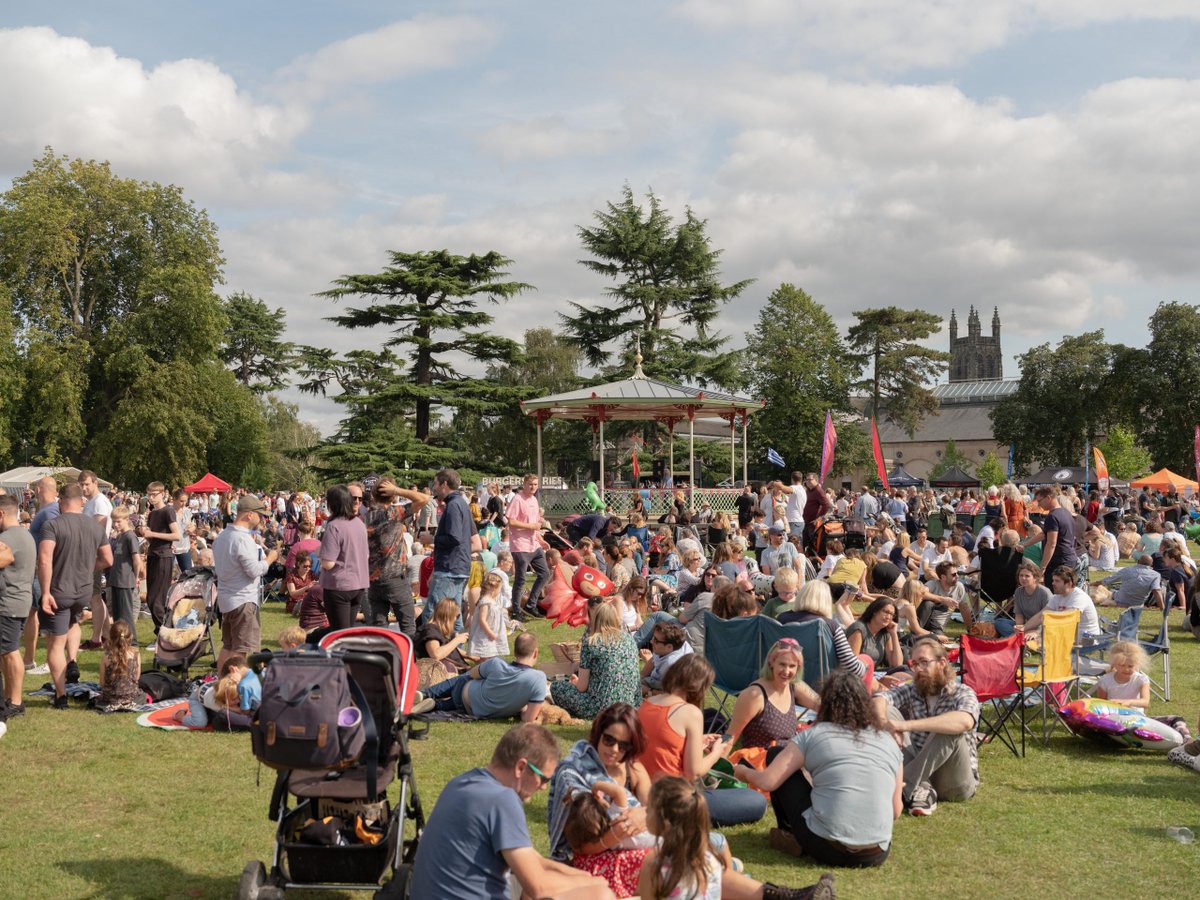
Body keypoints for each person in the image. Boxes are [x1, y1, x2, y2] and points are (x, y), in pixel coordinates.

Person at [410, 723, 613, 900]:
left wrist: (584, 876)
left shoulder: (461, 782)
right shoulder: (502, 799)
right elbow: (538, 886)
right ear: (521, 768)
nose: (543, 787)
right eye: (543, 779)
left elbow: (533, 860)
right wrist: (594, 885)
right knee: (600, 895)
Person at [736, 669, 902, 868]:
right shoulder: (888, 741)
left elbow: (769, 782)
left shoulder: (814, 735)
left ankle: (790, 834)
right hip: (877, 852)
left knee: (775, 754)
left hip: (827, 847)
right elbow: (896, 810)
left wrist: (742, 772)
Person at [637, 776, 835, 900]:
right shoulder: (710, 860)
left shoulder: (654, 866)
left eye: (649, 809)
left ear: (665, 821)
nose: (644, 811)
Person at [637, 654, 767, 827]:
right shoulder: (690, 712)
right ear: (699, 687)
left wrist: (697, 742)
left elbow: (662, 746)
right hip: (675, 800)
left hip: (643, 791)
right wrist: (716, 752)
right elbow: (694, 772)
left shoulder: (648, 703)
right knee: (756, 800)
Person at [548, 703, 654, 897]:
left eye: (623, 745)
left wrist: (641, 815)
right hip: (593, 858)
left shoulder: (633, 769)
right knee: (670, 862)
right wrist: (617, 833)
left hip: (634, 851)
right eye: (609, 740)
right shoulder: (573, 773)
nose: (614, 749)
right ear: (598, 734)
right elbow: (580, 845)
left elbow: (655, 811)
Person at [873, 637, 980, 816]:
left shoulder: (962, 692)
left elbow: (965, 721)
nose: (918, 669)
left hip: (954, 782)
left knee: (949, 728)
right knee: (888, 712)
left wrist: (906, 725)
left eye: (924, 662)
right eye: (914, 664)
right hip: (923, 771)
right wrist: (887, 725)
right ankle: (922, 790)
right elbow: (879, 699)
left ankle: (899, 788)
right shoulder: (913, 690)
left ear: (941, 663)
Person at [38, 483, 113, 708]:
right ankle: (72, 661)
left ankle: (60, 696)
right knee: (73, 622)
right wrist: (88, 567)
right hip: (83, 591)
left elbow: (44, 560)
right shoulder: (95, 527)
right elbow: (108, 560)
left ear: (61, 501)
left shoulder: (52, 525)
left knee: (54, 644)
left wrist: (44, 592)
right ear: (81, 501)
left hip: (59, 591)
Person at [415, 631, 549, 721]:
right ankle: (436, 705)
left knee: (466, 676)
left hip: (465, 694)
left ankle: (425, 693)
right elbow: (528, 719)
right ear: (535, 653)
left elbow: (473, 674)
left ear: (515, 651)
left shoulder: (497, 664)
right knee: (464, 692)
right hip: (472, 710)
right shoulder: (538, 679)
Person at [212, 493, 277, 673]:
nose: (262, 519)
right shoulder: (242, 539)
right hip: (243, 601)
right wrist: (271, 558)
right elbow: (254, 570)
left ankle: (221, 685)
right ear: (249, 514)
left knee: (229, 647)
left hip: (227, 599)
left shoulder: (223, 536)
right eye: (260, 515)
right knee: (239, 651)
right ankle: (231, 690)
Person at [552, 602, 641, 719]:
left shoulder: (591, 642)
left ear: (595, 619)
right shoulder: (630, 640)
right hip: (629, 706)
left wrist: (575, 683)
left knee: (556, 687)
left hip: (600, 708)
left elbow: (582, 687)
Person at [364, 478, 429, 638]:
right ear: (392, 496)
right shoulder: (393, 513)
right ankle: (409, 661)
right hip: (395, 579)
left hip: (373, 580)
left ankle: (383, 661)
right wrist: (397, 490)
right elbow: (424, 498)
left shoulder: (365, 518)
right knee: (408, 627)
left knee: (379, 630)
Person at [726, 638, 820, 749]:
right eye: (782, 664)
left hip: (786, 761)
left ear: (798, 667)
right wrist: (718, 764)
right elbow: (729, 738)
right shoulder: (754, 695)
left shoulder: (793, 686)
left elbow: (824, 706)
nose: (786, 671)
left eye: (792, 666)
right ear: (772, 662)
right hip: (757, 762)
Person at [779, 581, 866, 678]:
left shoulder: (781, 620)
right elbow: (854, 669)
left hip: (785, 678)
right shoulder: (830, 625)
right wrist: (866, 663)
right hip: (822, 684)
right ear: (826, 601)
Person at [0, 493, 35, 721]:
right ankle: (11, 699)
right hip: (19, 600)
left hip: (9, 603)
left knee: (10, 653)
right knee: (8, 652)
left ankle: (15, 701)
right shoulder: (25, 533)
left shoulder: (9, 538)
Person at [425, 469, 474, 626]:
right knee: (454, 616)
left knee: (432, 614)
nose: (434, 487)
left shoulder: (454, 505)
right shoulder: (461, 503)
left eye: (436, 483)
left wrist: (432, 539)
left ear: (444, 484)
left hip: (449, 568)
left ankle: (431, 649)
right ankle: (456, 649)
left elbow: (454, 537)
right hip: (458, 567)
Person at [318, 484, 369, 630]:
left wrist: (319, 553)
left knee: (340, 634)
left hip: (339, 586)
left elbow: (328, 563)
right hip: (358, 584)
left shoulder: (334, 526)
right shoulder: (359, 524)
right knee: (348, 631)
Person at [508, 473, 551, 620]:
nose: (533, 487)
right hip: (520, 545)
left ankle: (530, 605)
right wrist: (531, 526)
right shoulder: (517, 499)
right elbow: (511, 522)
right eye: (530, 484)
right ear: (524, 484)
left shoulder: (534, 499)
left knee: (544, 573)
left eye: (535, 484)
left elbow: (535, 524)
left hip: (534, 544)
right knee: (520, 579)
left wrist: (540, 538)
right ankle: (515, 610)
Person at [79, 471, 114, 649]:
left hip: (94, 553)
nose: (84, 488)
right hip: (92, 552)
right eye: (82, 485)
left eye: (87, 484)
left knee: (94, 596)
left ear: (95, 483)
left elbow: (97, 530)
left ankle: (96, 639)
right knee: (96, 595)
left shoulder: (99, 502)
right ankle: (106, 635)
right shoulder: (93, 502)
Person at [140, 481, 180, 630]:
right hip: (153, 555)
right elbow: (154, 537)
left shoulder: (167, 511)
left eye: (154, 494)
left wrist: (152, 534)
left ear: (162, 494)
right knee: (151, 599)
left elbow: (177, 535)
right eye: (149, 494)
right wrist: (145, 534)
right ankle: (163, 632)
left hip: (163, 556)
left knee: (157, 600)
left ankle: (165, 633)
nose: (151, 497)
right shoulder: (153, 514)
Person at [1024, 565, 1100, 641]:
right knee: (1026, 635)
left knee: (1033, 638)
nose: (1053, 583)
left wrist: (1038, 632)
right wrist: (1023, 629)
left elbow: (1065, 620)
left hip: (1085, 640)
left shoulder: (1079, 597)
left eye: (1057, 581)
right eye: (1053, 580)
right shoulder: (1057, 596)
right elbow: (1041, 616)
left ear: (1069, 583)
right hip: (1066, 635)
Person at [1099, 555, 1165, 639]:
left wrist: (1093, 584)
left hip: (1120, 599)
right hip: (1138, 603)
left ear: (1138, 561)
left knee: (1111, 591)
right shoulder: (1156, 575)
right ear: (1151, 565)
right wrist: (1163, 608)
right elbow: (1156, 591)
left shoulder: (1127, 570)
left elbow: (1108, 580)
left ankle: (1109, 601)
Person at [106, 506, 143, 636]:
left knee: (126, 615)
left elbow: (137, 560)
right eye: (114, 522)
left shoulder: (130, 536)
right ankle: (119, 641)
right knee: (117, 614)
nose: (115, 525)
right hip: (116, 579)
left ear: (127, 519)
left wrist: (136, 577)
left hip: (125, 580)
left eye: (118, 521)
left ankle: (132, 641)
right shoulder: (119, 536)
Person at [846, 599, 905, 676]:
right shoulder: (859, 629)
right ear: (875, 611)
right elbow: (851, 666)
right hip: (856, 675)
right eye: (886, 612)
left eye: (892, 614)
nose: (888, 617)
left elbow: (897, 665)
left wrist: (894, 634)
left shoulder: (885, 633)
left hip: (873, 674)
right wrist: (877, 680)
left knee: (903, 671)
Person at [1035, 486, 1077, 589]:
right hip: (1069, 557)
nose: (1038, 504)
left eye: (1039, 501)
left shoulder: (1052, 517)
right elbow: (1044, 534)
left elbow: (1051, 543)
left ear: (1048, 498)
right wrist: (1025, 544)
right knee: (1066, 593)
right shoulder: (1066, 512)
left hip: (1058, 561)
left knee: (1055, 594)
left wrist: (1043, 566)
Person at [96, 620, 141, 713]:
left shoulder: (106, 656)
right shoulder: (135, 653)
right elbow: (136, 677)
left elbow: (102, 682)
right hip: (131, 697)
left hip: (110, 699)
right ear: (130, 636)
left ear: (111, 637)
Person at [640, 620, 693, 693]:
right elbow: (653, 659)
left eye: (656, 640)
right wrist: (639, 678)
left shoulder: (673, 665)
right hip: (659, 680)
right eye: (653, 637)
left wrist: (649, 691)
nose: (651, 641)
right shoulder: (664, 647)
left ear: (669, 647)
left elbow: (672, 695)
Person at [468, 571, 508, 661]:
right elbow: (482, 620)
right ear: (493, 588)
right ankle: (482, 671)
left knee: (492, 656)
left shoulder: (493, 601)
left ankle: (489, 670)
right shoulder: (485, 601)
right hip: (486, 635)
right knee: (485, 657)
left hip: (493, 632)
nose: (499, 592)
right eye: (499, 589)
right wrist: (490, 633)